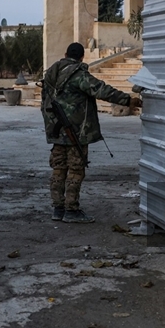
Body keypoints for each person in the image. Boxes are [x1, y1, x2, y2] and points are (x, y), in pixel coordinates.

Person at [42, 42, 140, 223]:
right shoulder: (78, 75)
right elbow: (102, 90)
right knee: (76, 170)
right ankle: (71, 210)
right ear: (81, 57)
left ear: (65, 54)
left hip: (57, 129)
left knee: (58, 169)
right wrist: (128, 100)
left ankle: (58, 208)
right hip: (75, 131)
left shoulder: (51, 74)